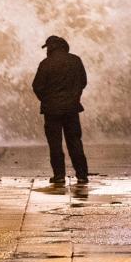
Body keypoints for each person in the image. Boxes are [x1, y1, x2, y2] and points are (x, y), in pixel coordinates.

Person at [31, 35, 90, 185]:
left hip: (52, 111)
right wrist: (74, 96)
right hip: (71, 109)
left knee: (55, 144)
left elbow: (37, 86)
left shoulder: (46, 63)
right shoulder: (75, 61)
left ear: (51, 47)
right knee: (75, 141)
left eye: (48, 47)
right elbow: (83, 81)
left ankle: (59, 175)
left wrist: (47, 100)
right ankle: (82, 175)